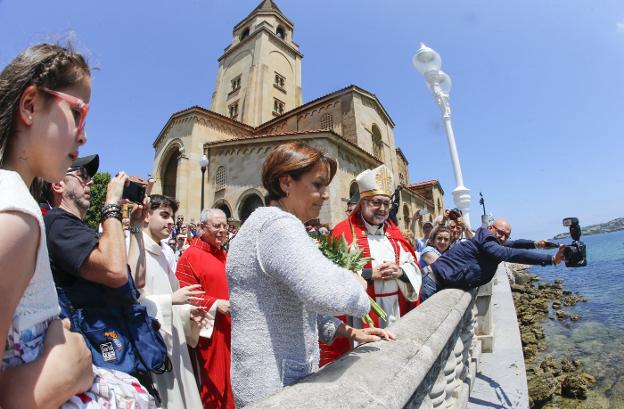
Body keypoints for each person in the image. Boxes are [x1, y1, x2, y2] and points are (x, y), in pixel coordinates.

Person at [0, 43, 153, 408]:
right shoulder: (16, 214)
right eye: (77, 113)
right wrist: (67, 373)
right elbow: (115, 271)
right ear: (30, 105)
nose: (83, 135)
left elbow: (134, 278)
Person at [226, 142, 394, 407]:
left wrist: (350, 332)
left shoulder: (263, 224)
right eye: (317, 185)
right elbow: (324, 293)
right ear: (286, 183)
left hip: (265, 381)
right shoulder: (278, 225)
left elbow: (297, 307)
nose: (326, 195)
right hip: (274, 388)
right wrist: (357, 284)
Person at [320, 165, 421, 365]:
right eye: (376, 203)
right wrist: (367, 274)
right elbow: (330, 275)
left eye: (386, 203)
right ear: (362, 203)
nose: (383, 209)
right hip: (360, 317)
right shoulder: (343, 233)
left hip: (395, 310)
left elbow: (414, 267)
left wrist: (401, 272)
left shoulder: (395, 235)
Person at [128, 194, 203, 409]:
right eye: (164, 215)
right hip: (151, 345)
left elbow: (174, 299)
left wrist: (188, 312)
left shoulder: (162, 252)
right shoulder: (132, 246)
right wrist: (171, 299)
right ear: (146, 216)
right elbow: (131, 302)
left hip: (173, 340)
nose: (171, 222)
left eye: (172, 216)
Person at [420, 218, 566, 302]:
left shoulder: (489, 241)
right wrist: (551, 259)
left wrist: (535, 244)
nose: (502, 237)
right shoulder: (487, 241)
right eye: (500, 232)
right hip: (432, 282)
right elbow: (511, 253)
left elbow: (514, 243)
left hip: (441, 282)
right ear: (490, 228)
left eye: (506, 235)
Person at [176, 208, 234, 409]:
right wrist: (216, 304)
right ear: (202, 228)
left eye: (225, 226)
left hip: (231, 328)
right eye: (216, 226)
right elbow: (186, 295)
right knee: (214, 384)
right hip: (209, 332)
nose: (222, 230)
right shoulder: (189, 256)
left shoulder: (224, 254)